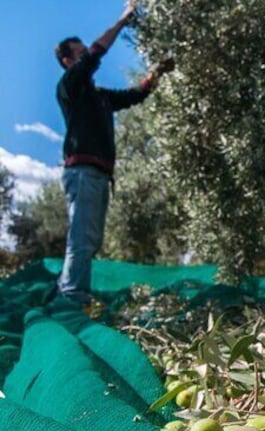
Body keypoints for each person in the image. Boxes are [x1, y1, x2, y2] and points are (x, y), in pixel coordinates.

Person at [54, 1, 173, 309]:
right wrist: (122, 21)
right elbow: (96, 54)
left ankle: (72, 293)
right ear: (68, 61)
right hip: (82, 174)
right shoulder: (70, 87)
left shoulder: (100, 98)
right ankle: (71, 301)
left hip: (98, 176)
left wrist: (155, 74)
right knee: (82, 240)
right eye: (79, 54)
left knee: (89, 241)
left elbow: (135, 95)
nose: (86, 57)